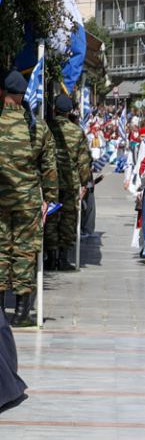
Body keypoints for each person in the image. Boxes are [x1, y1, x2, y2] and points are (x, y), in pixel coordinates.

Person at [0, 71, 58, 327]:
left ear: (2, 94)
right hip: (28, 200)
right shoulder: (38, 126)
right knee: (24, 252)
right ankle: (22, 312)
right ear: (23, 95)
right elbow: (49, 167)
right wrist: (50, 198)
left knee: (1, 251)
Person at [44, 94, 93, 272]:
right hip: (70, 184)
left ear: (54, 109)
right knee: (67, 220)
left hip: (49, 183)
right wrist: (84, 184)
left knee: (50, 219)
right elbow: (84, 162)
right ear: (69, 112)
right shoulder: (76, 131)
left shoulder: (45, 128)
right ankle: (63, 258)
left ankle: (50, 257)